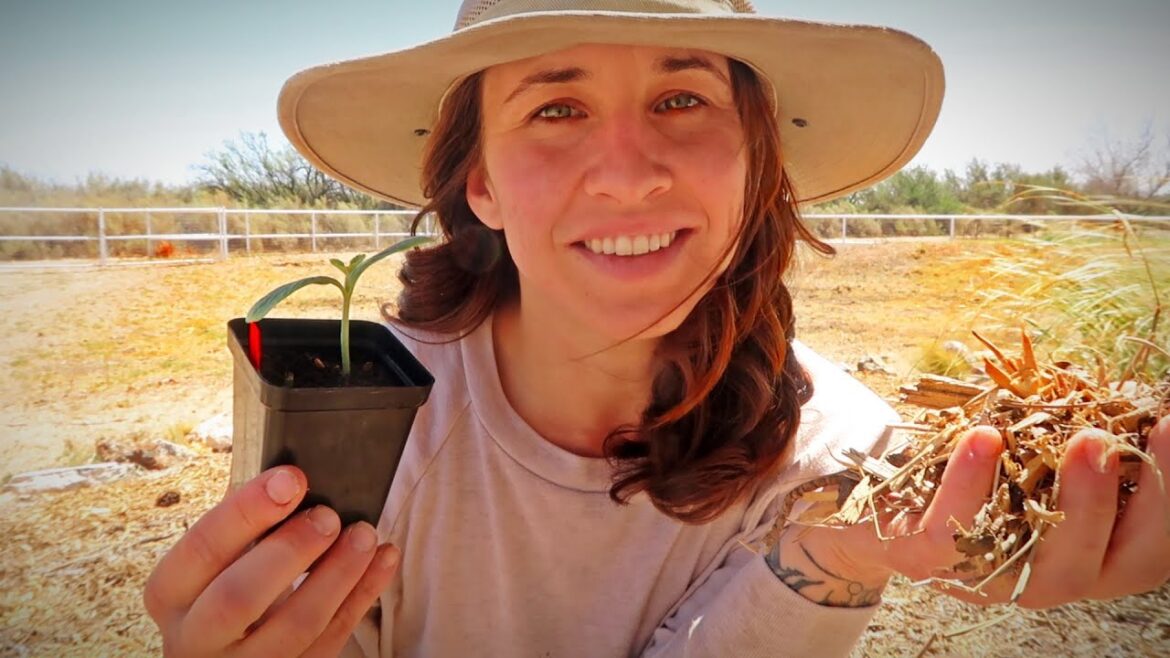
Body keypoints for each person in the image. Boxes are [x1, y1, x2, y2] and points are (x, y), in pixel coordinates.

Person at [143, 1, 1170, 656]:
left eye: (682, 97)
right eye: (556, 109)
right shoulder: (362, 415)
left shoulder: (851, 458)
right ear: (481, 183)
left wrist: (833, 556)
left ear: (758, 165)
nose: (630, 171)